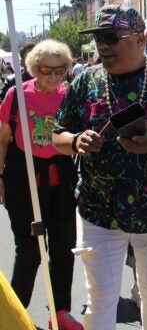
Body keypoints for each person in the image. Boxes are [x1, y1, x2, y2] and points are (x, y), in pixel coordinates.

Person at [52, 4, 147, 330]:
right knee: (101, 297)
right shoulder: (85, 81)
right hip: (98, 210)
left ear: (139, 39)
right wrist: (76, 140)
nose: (102, 45)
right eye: (98, 38)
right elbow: (56, 134)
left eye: (110, 37)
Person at [0, 40, 83, 330]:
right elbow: (2, 137)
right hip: (23, 177)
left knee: (64, 247)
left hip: (60, 175)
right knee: (30, 249)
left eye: (60, 70)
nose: (53, 76)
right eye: (46, 69)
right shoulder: (16, 95)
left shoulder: (70, 95)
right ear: (34, 68)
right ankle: (13, 313)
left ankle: (60, 311)